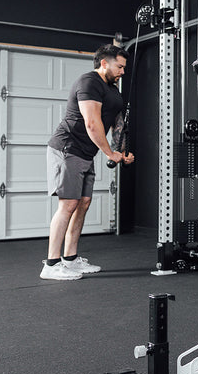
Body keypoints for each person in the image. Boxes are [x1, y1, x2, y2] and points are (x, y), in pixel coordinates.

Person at [40, 44, 135, 281]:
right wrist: (108, 154)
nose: (123, 71)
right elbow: (92, 123)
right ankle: (51, 264)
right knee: (68, 204)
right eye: (120, 66)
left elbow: (117, 125)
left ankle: (70, 260)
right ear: (104, 63)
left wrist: (121, 152)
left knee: (83, 203)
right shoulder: (89, 82)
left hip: (85, 152)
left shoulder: (113, 90)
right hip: (67, 147)